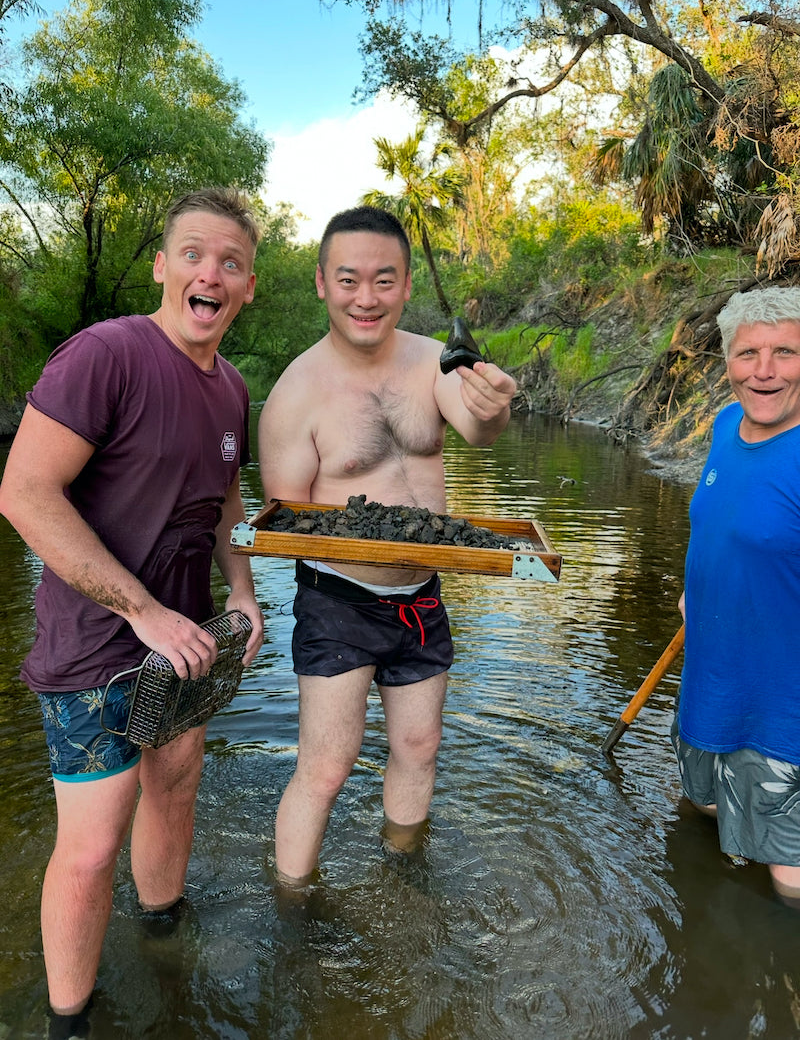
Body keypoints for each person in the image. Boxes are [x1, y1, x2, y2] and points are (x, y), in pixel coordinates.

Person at [0, 187, 265, 1034]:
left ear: (248, 286)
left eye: (229, 261)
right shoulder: (105, 355)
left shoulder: (233, 389)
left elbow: (226, 502)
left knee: (176, 788)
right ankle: (68, 1021)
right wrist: (142, 609)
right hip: (92, 648)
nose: (209, 272)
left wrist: (246, 593)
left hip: (185, 643)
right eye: (192, 253)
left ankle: (161, 938)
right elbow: (24, 493)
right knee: (88, 847)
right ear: (162, 266)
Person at [258, 205, 517, 885]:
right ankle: (293, 902)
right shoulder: (293, 394)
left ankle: (403, 876)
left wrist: (494, 408)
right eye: (348, 280)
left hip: (423, 595)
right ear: (321, 283)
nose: (365, 297)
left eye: (383, 279)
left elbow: (479, 430)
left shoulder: (436, 360)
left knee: (418, 745)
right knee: (326, 764)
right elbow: (284, 524)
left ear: (405, 286)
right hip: (338, 601)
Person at [672, 284, 800, 908]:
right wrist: (694, 591)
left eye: (786, 352)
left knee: (787, 882)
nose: (766, 371)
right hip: (712, 674)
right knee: (700, 808)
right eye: (749, 353)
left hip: (783, 705)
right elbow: (719, 525)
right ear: (727, 363)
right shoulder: (725, 426)